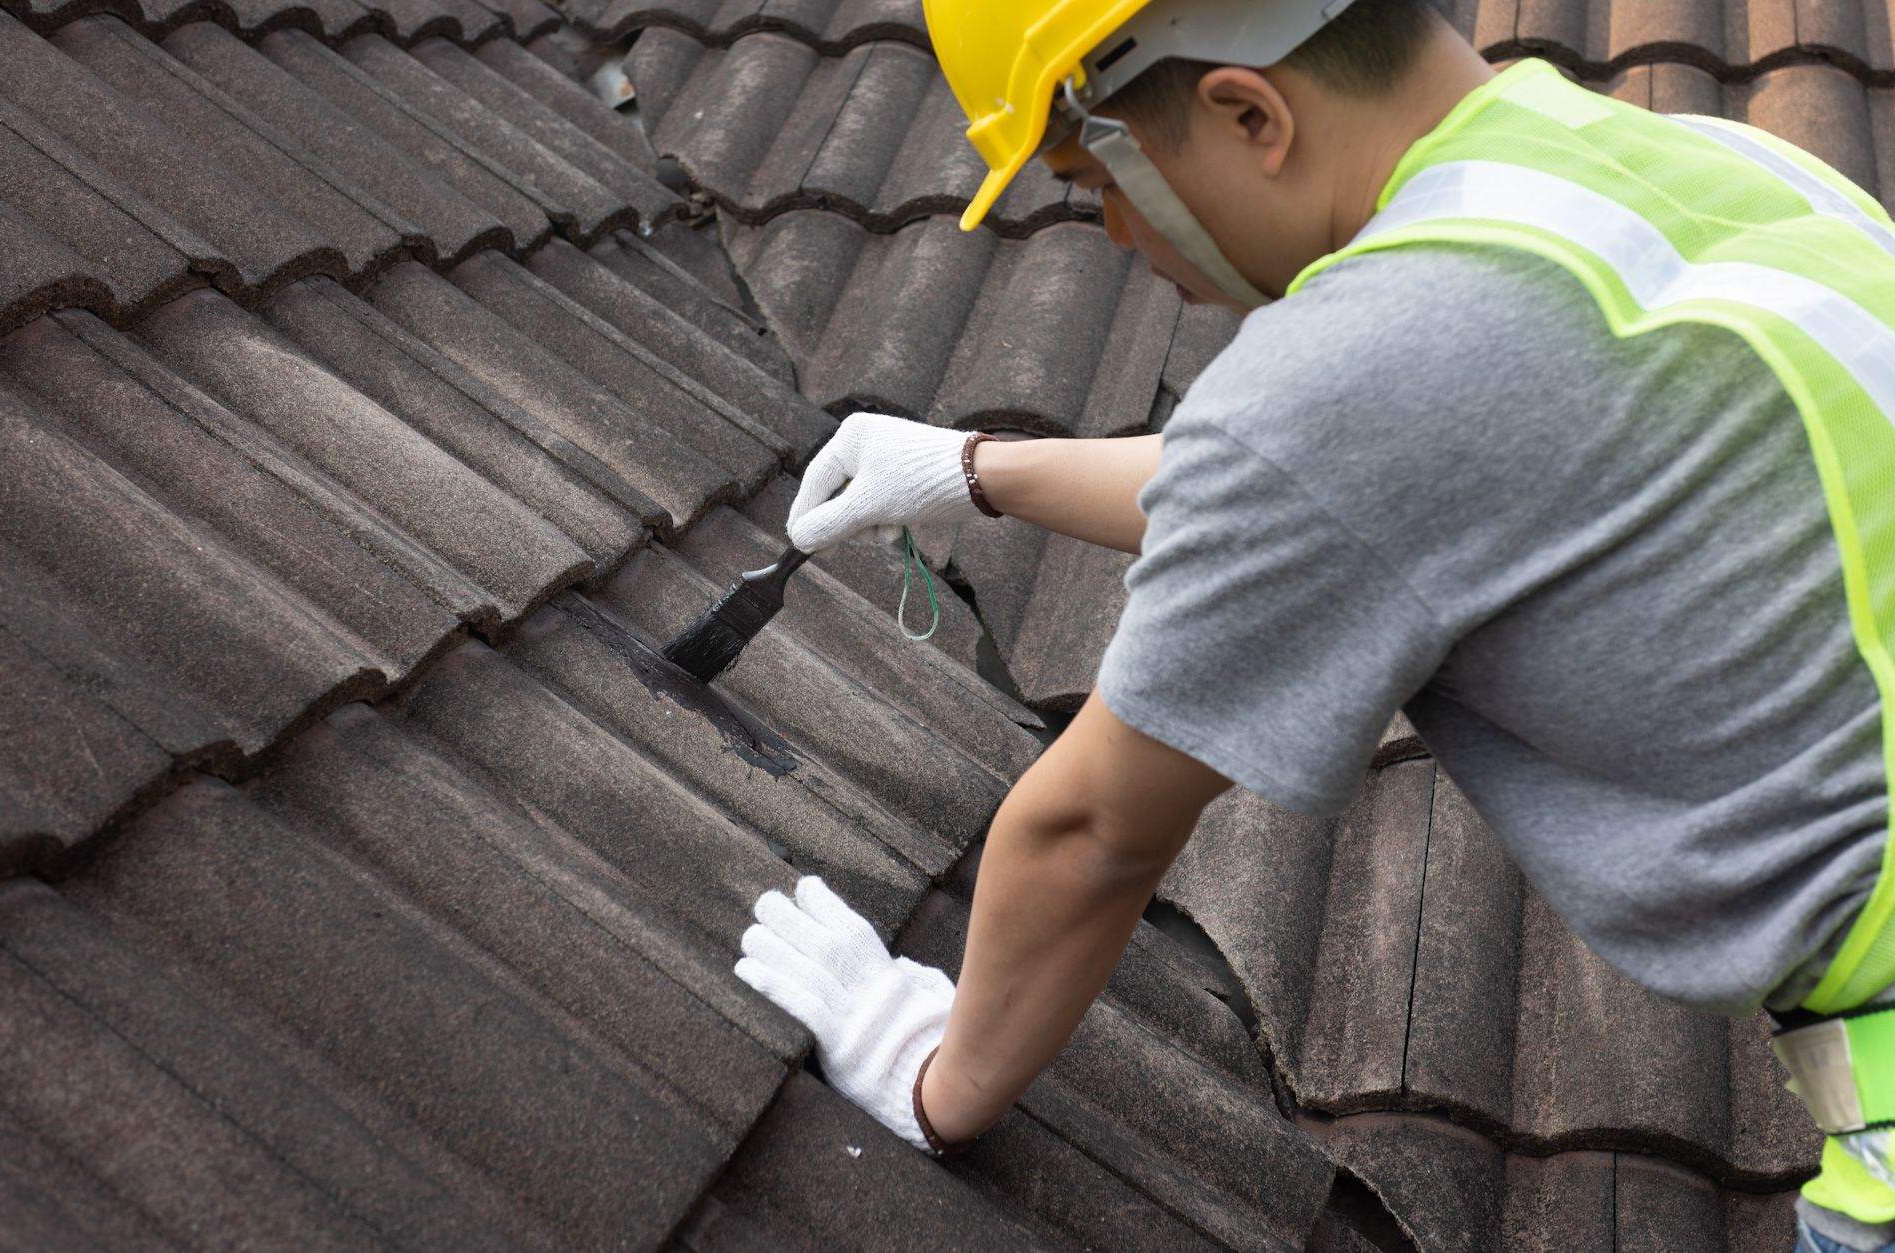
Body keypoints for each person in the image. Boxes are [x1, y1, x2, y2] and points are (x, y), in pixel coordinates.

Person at [725, 0, 1895, 1247]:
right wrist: (975, 468)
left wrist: (932, 1077)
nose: (1114, 232)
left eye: (1097, 176)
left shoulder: (1358, 375)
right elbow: (1341, 484)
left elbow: (1090, 830)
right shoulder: (1703, 163)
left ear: (1246, 114)